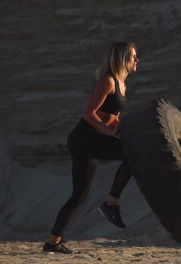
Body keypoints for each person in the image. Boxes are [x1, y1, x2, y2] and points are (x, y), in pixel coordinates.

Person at [43, 41, 139, 254]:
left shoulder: (122, 84)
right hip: (84, 138)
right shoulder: (108, 82)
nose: (136, 60)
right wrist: (110, 132)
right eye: (133, 56)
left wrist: (121, 129)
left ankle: (52, 243)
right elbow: (89, 113)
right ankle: (111, 204)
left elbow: (113, 117)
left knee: (79, 196)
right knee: (131, 154)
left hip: (89, 140)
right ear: (122, 58)